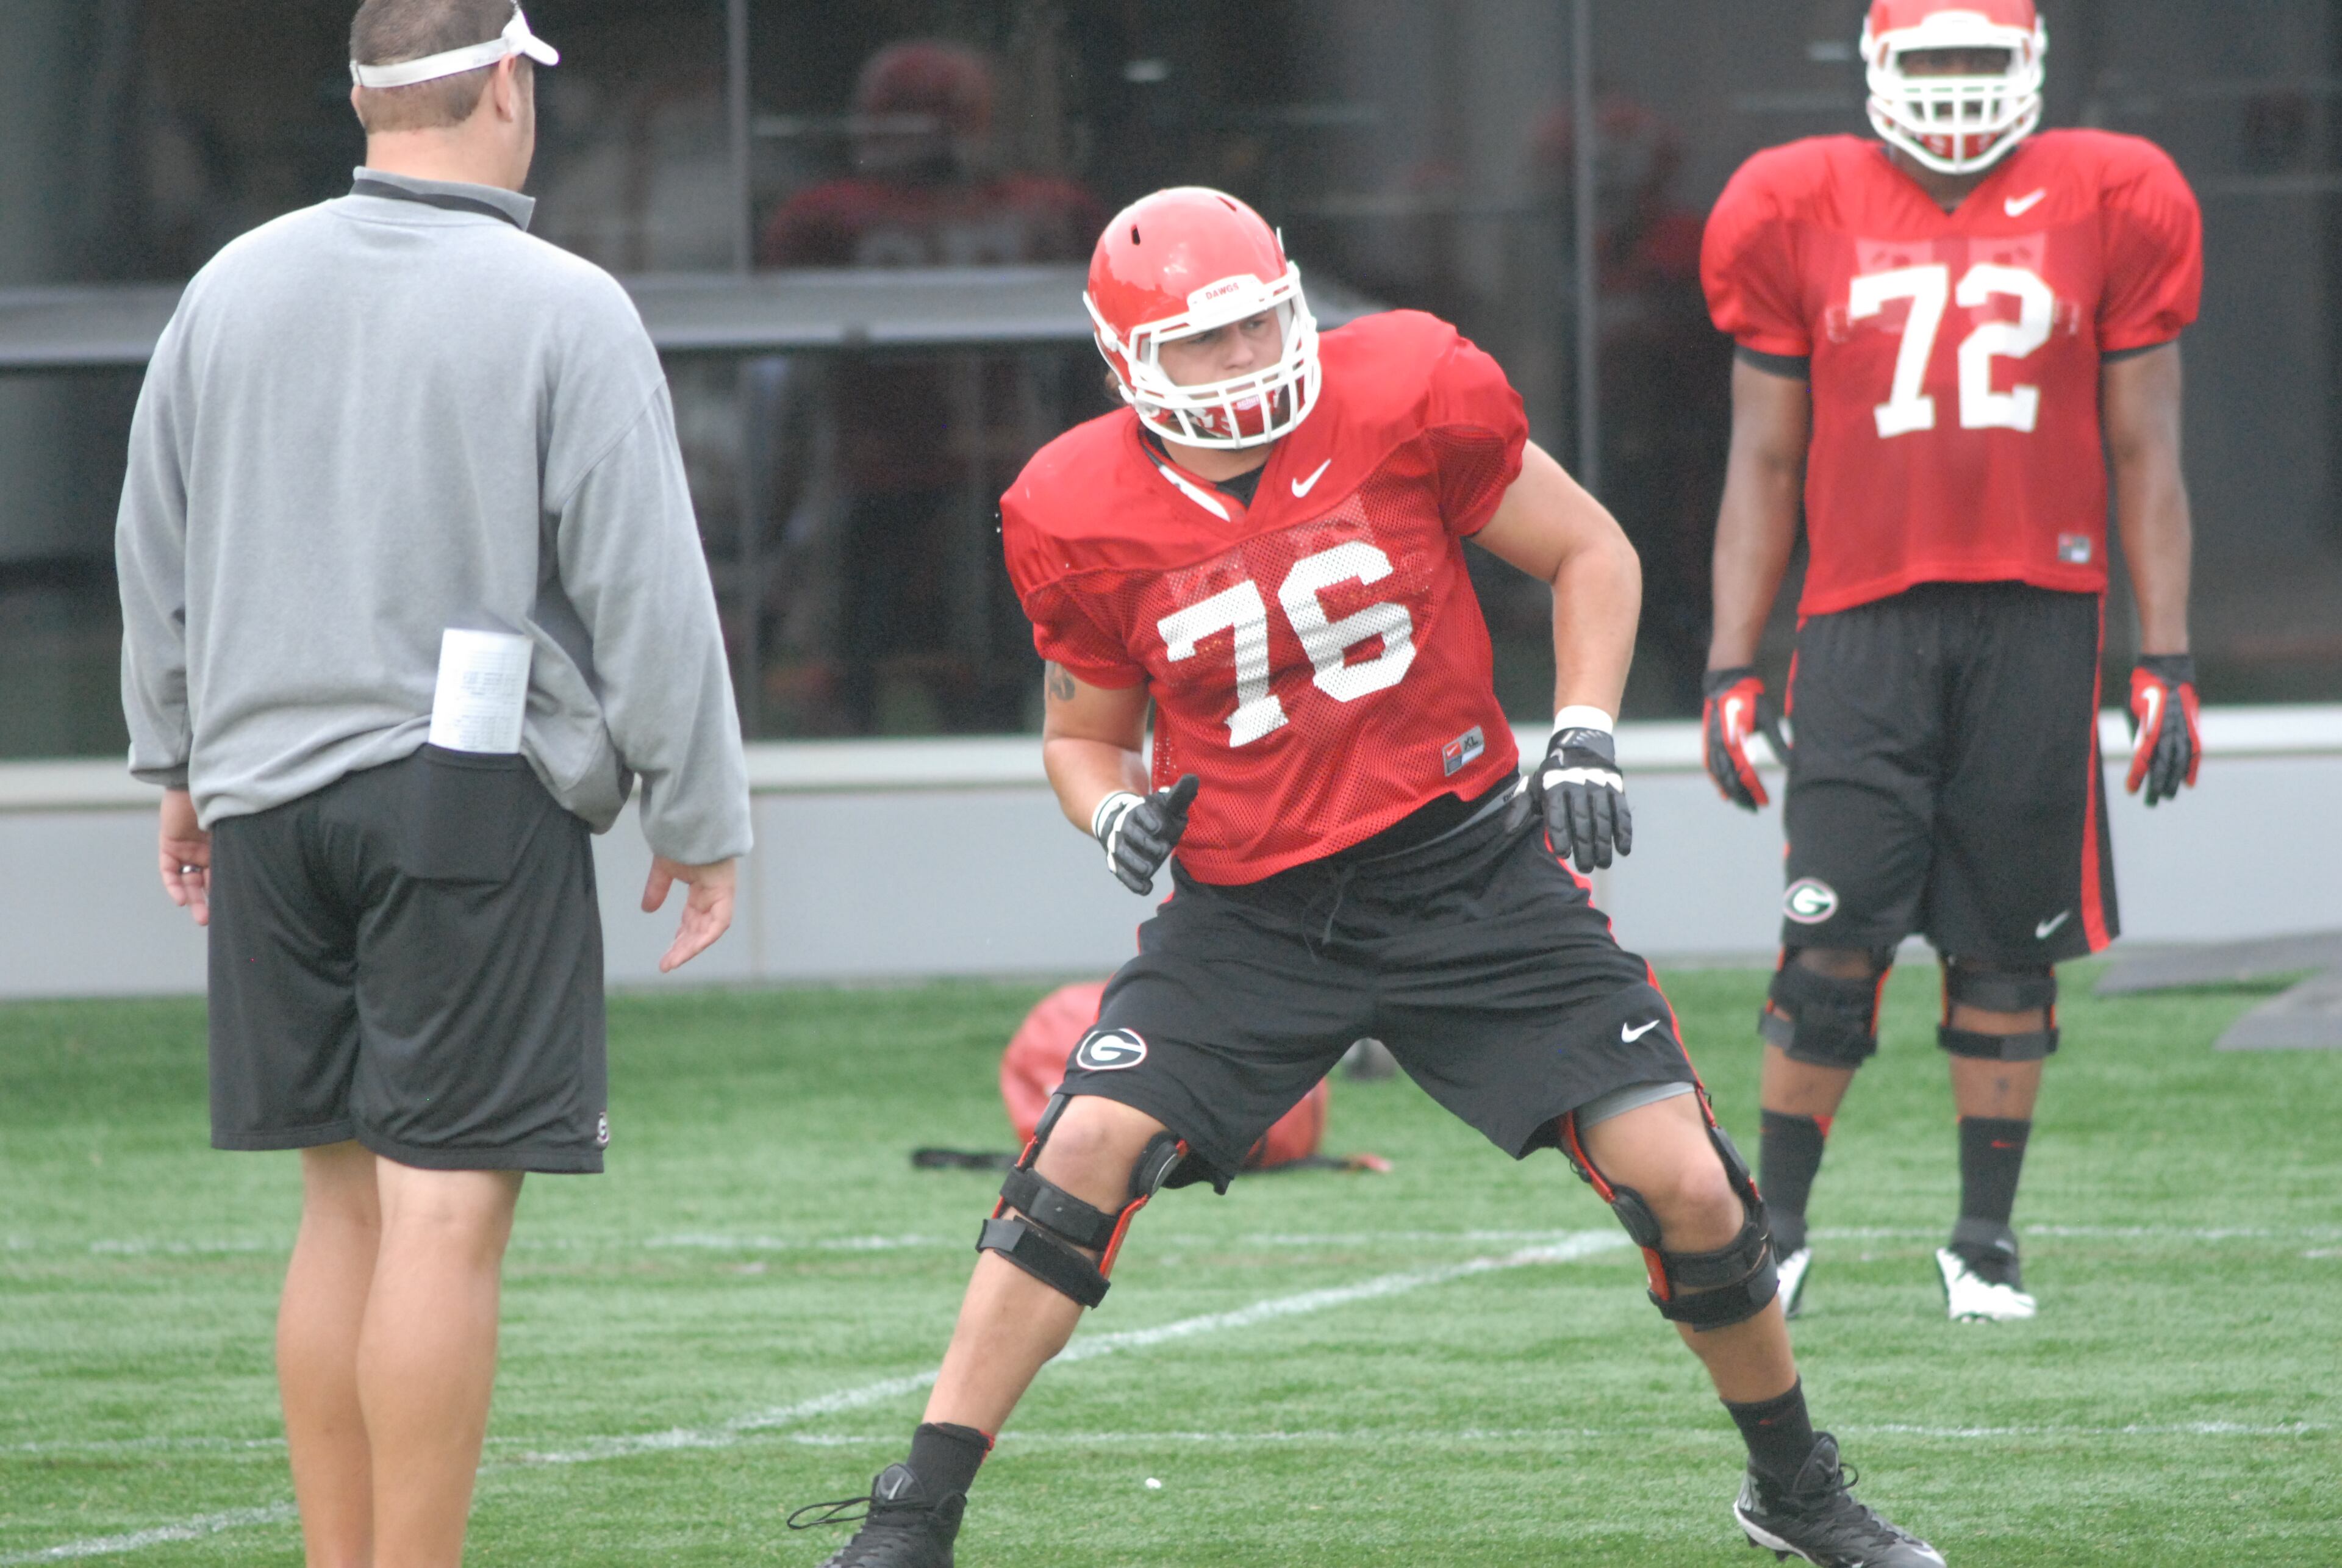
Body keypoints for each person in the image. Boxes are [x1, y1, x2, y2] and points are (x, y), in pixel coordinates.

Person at [790, 187, 1942, 1568]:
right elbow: (1080, 734)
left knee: (1691, 1185)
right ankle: (913, 1518)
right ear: (1126, 364)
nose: (1246, 359)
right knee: (1076, 1153)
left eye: (1262, 321)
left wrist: (1580, 727)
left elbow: (1592, 550)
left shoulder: (1409, 388)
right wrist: (1111, 819)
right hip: (1251, 907)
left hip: (1465, 871)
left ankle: (1797, 1489)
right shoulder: (1071, 506)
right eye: (1204, 342)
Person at [114, 3, 753, 1563]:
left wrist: (177, 757)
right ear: (508, 95)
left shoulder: (227, 288)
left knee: (341, 1210)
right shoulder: (565, 304)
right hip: (464, 800)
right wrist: (700, 812)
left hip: (267, 789)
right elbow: (645, 587)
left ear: (359, 98)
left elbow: (156, 544)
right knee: (445, 1217)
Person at [1699, 0, 2202, 1324]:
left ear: (2032, 63)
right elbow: (1763, 456)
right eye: (1936, 60)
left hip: (2043, 608)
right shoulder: (1790, 200)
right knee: (1831, 939)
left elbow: (2148, 446)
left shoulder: (2117, 191)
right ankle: (1779, 1229)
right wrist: (1726, 664)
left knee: (2006, 951)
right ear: (1876, 67)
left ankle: (1985, 1240)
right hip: (1861, 617)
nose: (1961, 89)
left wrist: (2169, 652)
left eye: (1985, 59)